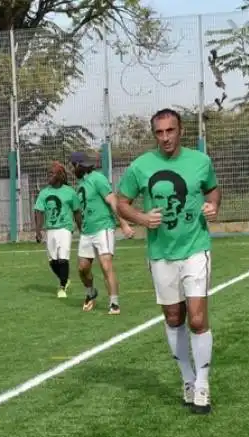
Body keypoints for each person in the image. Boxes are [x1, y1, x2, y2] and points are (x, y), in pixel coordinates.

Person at [116, 108, 220, 415]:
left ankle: (203, 383)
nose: (165, 138)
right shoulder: (140, 167)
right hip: (161, 253)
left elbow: (212, 190)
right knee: (174, 318)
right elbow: (121, 202)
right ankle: (187, 378)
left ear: (181, 131)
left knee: (198, 318)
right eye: (159, 133)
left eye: (170, 131)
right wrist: (141, 218)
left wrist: (213, 205)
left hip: (195, 248)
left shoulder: (201, 162)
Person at [70, 152, 135, 314]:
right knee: (82, 268)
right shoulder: (81, 185)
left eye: (73, 166)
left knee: (106, 265)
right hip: (87, 231)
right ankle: (91, 292)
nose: (72, 169)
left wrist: (124, 224)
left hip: (103, 227)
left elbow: (113, 200)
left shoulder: (98, 179)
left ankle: (114, 303)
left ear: (79, 166)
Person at [33, 161, 81, 298]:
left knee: (62, 258)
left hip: (65, 228)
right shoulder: (44, 193)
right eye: (48, 173)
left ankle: (62, 288)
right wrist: (38, 231)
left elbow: (77, 211)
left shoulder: (70, 192)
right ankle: (64, 278)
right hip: (50, 229)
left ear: (59, 176)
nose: (49, 176)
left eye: (52, 173)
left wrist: (81, 228)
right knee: (52, 260)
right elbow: (38, 212)